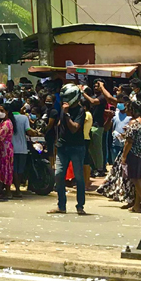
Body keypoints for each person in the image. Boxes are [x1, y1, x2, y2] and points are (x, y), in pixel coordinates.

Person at [48, 83, 87, 215]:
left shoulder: (80, 111)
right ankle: (61, 205)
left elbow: (74, 128)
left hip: (77, 147)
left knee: (79, 177)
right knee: (59, 175)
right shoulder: (63, 109)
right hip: (62, 147)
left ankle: (80, 205)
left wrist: (67, 115)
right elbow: (60, 125)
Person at [119, 101, 141, 213]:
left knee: (135, 179)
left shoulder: (133, 123)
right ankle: (136, 205)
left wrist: (124, 157)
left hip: (134, 154)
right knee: (138, 179)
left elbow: (129, 142)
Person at [10, 100, 39, 198]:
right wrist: (36, 132)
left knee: (13, 169)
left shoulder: (8, 118)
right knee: (20, 169)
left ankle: (15, 189)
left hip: (11, 148)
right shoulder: (24, 118)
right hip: (22, 148)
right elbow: (28, 131)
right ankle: (18, 189)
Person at [82, 80, 107, 177]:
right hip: (91, 124)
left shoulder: (102, 97)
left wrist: (82, 93)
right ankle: (94, 167)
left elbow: (93, 102)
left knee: (97, 148)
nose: (96, 88)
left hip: (98, 125)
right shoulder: (93, 96)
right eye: (94, 86)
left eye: (98, 86)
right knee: (91, 148)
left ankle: (100, 168)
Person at [0, 104, 14, 199]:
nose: (0, 113)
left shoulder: (6, 123)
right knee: (3, 169)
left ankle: (7, 191)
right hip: (3, 148)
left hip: (5, 149)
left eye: (2, 111)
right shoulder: (3, 122)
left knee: (6, 169)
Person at [110, 95, 131, 161]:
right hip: (115, 145)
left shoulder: (130, 115)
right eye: (118, 102)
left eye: (121, 102)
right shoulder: (115, 114)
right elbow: (108, 128)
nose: (119, 104)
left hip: (126, 145)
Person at [81, 98, 93, 188]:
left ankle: (86, 181)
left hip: (84, 138)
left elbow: (81, 122)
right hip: (83, 138)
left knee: (85, 161)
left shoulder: (87, 114)